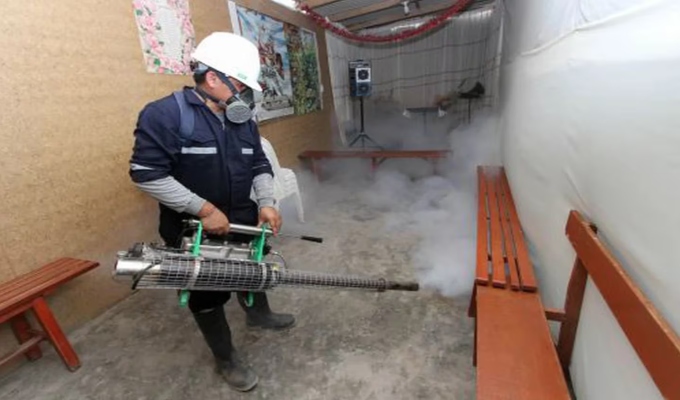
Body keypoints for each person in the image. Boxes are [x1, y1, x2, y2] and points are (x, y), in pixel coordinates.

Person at [128, 32, 295, 392]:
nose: (246, 95)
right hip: (193, 229)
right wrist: (203, 209)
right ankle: (226, 358)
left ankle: (259, 314)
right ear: (213, 78)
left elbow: (259, 164)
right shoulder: (165, 115)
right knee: (206, 291)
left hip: (244, 220)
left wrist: (266, 202)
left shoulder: (243, 120)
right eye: (241, 85)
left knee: (252, 268)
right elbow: (146, 174)